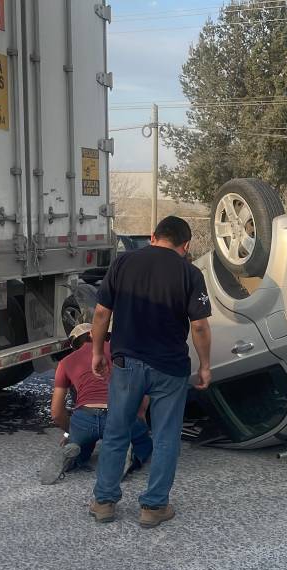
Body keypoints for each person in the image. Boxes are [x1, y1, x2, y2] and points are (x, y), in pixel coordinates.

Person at [88, 216, 213, 529]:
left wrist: (96, 351)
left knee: (117, 431)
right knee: (167, 436)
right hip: (169, 368)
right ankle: (154, 507)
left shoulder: (123, 263)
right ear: (185, 246)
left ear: (153, 237)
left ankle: (104, 502)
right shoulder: (190, 272)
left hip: (126, 363)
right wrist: (205, 365)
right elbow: (198, 325)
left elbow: (102, 312)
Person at [39, 323, 152, 485]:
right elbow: (140, 385)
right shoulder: (119, 352)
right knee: (143, 442)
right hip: (118, 415)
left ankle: (73, 455)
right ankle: (128, 456)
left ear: (75, 344)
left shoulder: (65, 362)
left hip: (84, 417)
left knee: (81, 447)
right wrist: (140, 416)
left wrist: (70, 433)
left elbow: (56, 413)